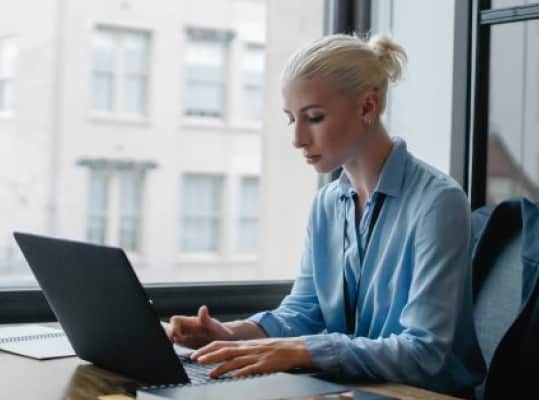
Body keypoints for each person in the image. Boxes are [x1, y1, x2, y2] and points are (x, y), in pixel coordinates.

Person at [166, 33, 485, 395]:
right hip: (352, 390)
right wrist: (234, 334)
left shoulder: (437, 202)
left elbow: (423, 353)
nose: (298, 139)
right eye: (291, 120)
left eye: (314, 118)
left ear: (368, 107)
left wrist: (301, 350)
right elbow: (305, 311)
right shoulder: (328, 203)